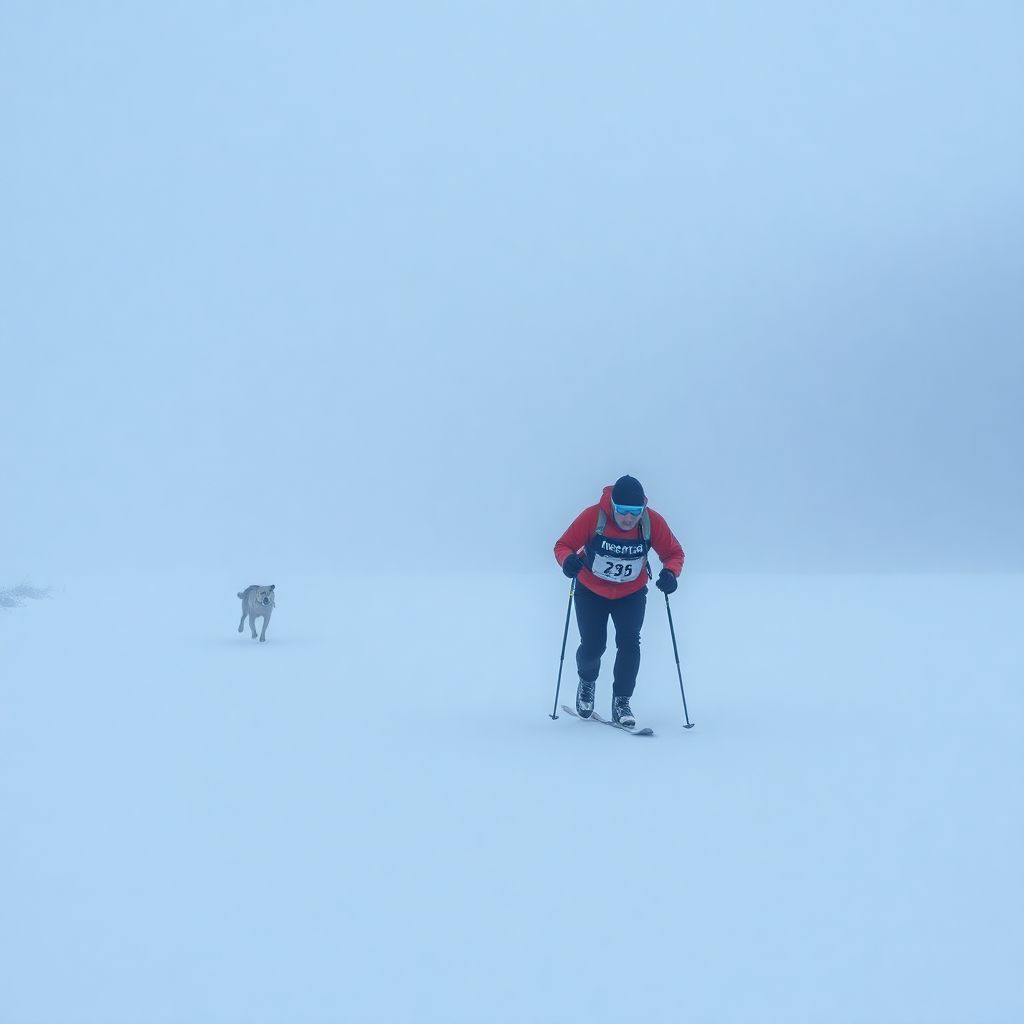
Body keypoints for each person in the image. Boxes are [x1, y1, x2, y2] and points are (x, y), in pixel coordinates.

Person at [553, 475, 684, 728]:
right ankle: (587, 682)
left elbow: (673, 552)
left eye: (635, 511)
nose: (628, 518)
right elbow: (563, 545)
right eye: (623, 510)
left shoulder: (651, 522)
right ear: (612, 505)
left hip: (630, 594)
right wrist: (567, 561)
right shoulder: (593, 517)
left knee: (629, 643)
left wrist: (671, 573)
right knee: (593, 645)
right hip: (591, 591)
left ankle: (622, 701)